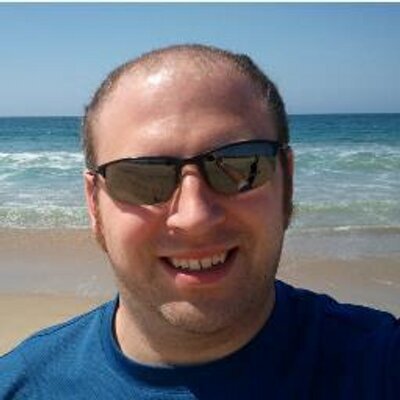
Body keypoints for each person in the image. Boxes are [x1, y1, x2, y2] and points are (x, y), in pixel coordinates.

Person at [1, 44, 399, 399]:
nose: (195, 217)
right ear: (94, 204)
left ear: (288, 183)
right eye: (143, 176)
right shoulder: (20, 387)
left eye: (240, 165)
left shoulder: (380, 366)